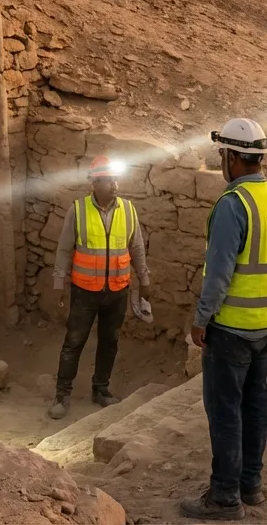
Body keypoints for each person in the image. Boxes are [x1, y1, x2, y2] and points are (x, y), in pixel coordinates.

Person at [180, 119, 267, 521]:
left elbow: (220, 273)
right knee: (254, 404)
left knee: (225, 409)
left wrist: (200, 319)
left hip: (232, 329)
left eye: (222, 157)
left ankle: (225, 496)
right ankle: (251, 484)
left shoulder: (233, 205)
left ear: (231, 157)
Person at [48, 155, 151, 419]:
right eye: (107, 180)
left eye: (115, 179)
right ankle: (62, 394)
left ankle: (101, 389)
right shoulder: (78, 210)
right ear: (94, 183)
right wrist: (59, 283)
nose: (114, 184)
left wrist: (144, 279)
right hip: (84, 291)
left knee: (110, 341)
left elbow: (136, 247)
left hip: (117, 289)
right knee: (74, 341)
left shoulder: (128, 210)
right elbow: (64, 249)